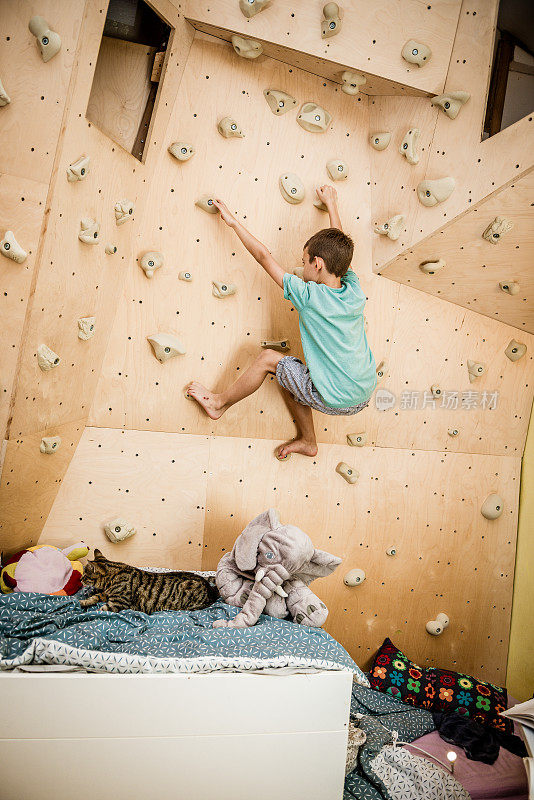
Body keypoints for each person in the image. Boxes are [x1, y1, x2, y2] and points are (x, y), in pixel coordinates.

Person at [186, 185, 376, 459]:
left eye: (304, 262)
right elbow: (340, 249)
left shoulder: (308, 295)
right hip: (364, 393)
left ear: (318, 264)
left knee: (268, 360)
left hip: (336, 397)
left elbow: (264, 257)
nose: (302, 267)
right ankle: (308, 441)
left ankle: (218, 403)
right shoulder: (353, 288)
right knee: (290, 374)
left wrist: (233, 222)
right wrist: (332, 204)